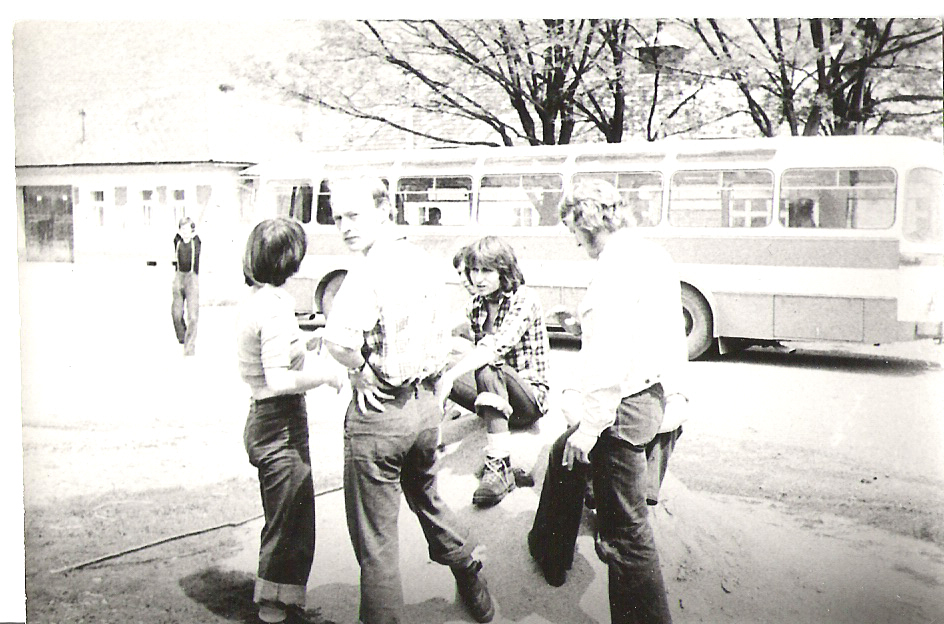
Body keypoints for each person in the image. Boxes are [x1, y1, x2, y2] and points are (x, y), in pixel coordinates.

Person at [321, 177, 495, 624]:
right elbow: (444, 332)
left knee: (376, 539)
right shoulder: (422, 261)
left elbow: (338, 341)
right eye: (337, 217)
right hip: (423, 411)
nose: (344, 226)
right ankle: (468, 569)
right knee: (427, 496)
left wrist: (359, 372)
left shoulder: (366, 271)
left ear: (385, 210)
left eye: (354, 215)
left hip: (381, 414)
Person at [528, 179, 685, 624]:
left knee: (624, 536)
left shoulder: (612, 269)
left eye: (572, 230)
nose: (574, 241)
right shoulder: (651, 254)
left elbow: (608, 359)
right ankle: (549, 552)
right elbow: (656, 332)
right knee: (563, 455)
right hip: (653, 396)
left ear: (586, 224)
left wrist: (590, 427)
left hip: (622, 408)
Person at [236, 218, 347, 624]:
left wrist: (307, 342)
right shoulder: (275, 308)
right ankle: (271, 608)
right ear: (291, 260)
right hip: (278, 422)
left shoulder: (258, 299)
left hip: (266, 419)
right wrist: (327, 375)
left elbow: (275, 353)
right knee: (288, 519)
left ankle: (284, 601)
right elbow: (280, 379)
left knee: (290, 513)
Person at [436, 236, 550, 507]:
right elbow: (443, 332)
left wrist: (451, 377)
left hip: (527, 401)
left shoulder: (524, 298)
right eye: (473, 271)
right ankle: (429, 433)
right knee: (440, 364)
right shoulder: (478, 304)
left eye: (486, 270)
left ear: (504, 270)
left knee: (487, 364)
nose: (477, 278)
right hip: (496, 395)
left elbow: (493, 348)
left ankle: (499, 466)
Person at [171, 217, 201, 355]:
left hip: (191, 279)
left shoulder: (196, 242)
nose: (185, 232)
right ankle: (183, 337)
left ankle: (189, 349)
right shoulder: (177, 241)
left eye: (187, 229)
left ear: (192, 230)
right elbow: (176, 236)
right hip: (179, 278)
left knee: (193, 316)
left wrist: (193, 228)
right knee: (176, 313)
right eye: (182, 229)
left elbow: (198, 235)